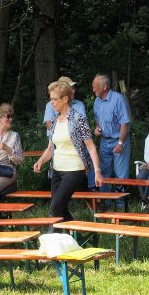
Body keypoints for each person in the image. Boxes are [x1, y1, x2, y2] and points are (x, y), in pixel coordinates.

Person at [34, 80, 103, 222]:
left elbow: (91, 146)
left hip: (74, 169)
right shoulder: (53, 121)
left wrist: (97, 171)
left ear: (65, 99)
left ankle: (50, 240)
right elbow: (50, 148)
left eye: (54, 99)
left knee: (55, 207)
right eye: (50, 99)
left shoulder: (78, 119)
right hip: (56, 170)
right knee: (61, 208)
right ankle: (76, 239)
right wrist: (40, 160)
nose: (51, 102)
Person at [92, 73, 131, 186]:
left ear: (104, 87)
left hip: (119, 139)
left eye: (95, 86)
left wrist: (120, 142)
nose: (93, 89)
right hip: (104, 140)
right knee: (103, 171)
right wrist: (97, 128)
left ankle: (121, 203)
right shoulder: (97, 101)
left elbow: (125, 123)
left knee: (121, 173)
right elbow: (97, 119)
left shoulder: (118, 99)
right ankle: (105, 202)